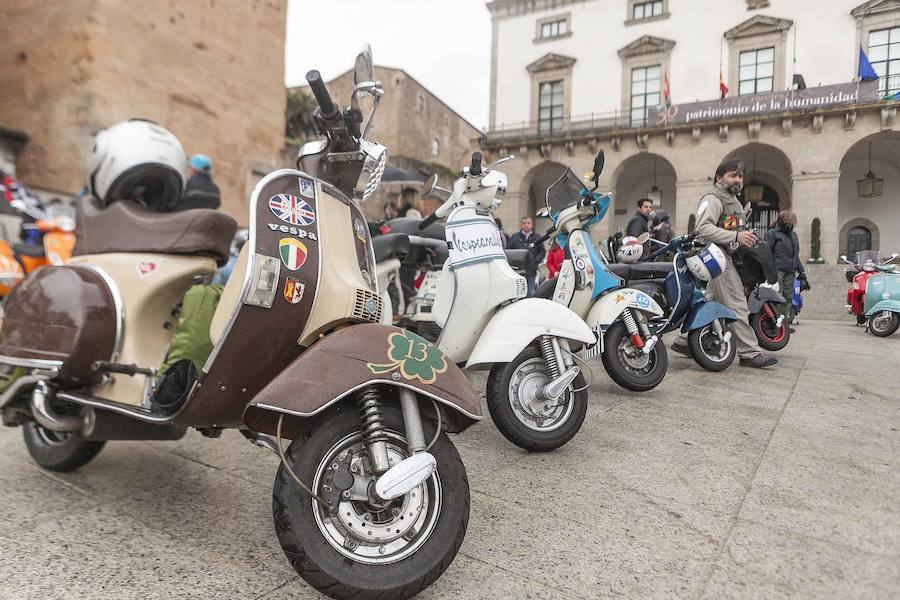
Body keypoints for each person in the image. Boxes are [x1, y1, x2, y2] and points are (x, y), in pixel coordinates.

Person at [671, 158, 777, 368]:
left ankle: (683, 342)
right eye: (732, 175)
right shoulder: (714, 199)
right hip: (716, 258)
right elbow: (702, 229)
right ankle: (750, 353)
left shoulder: (732, 201)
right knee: (737, 304)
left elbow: (729, 228)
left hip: (724, 257)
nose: (738, 179)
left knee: (710, 299)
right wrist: (736, 237)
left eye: (740, 176)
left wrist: (742, 235)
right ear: (719, 178)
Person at [764, 210, 809, 331]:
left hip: (790, 270)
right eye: (790, 223)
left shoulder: (793, 235)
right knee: (776, 296)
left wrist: (802, 272)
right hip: (777, 269)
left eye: (793, 223)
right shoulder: (772, 234)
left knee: (788, 297)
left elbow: (795, 255)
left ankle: (783, 325)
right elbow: (766, 252)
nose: (792, 225)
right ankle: (773, 322)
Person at [508, 216, 545, 295]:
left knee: (530, 293)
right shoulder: (515, 237)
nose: (526, 225)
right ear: (521, 225)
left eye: (528, 223)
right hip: (518, 272)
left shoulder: (537, 237)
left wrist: (535, 261)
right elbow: (509, 251)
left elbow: (542, 251)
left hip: (531, 270)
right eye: (524, 223)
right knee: (518, 294)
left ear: (532, 225)